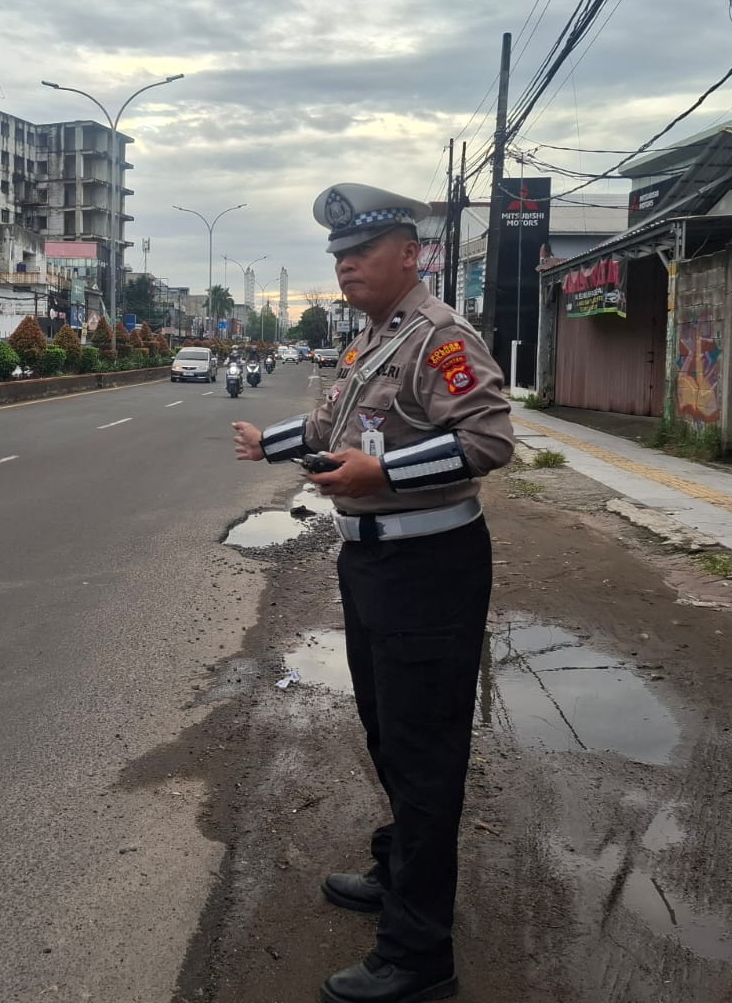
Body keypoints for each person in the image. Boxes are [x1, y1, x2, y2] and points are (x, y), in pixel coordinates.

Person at [231, 183, 514, 1003]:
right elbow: (333, 431)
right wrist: (268, 442)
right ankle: (399, 871)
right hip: (373, 565)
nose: (346, 266)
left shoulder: (440, 337)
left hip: (430, 568)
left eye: (362, 252)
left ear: (410, 254)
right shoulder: (373, 340)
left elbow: (488, 438)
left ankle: (420, 955)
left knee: (424, 752)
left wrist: (381, 474)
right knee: (389, 732)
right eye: (339, 256)